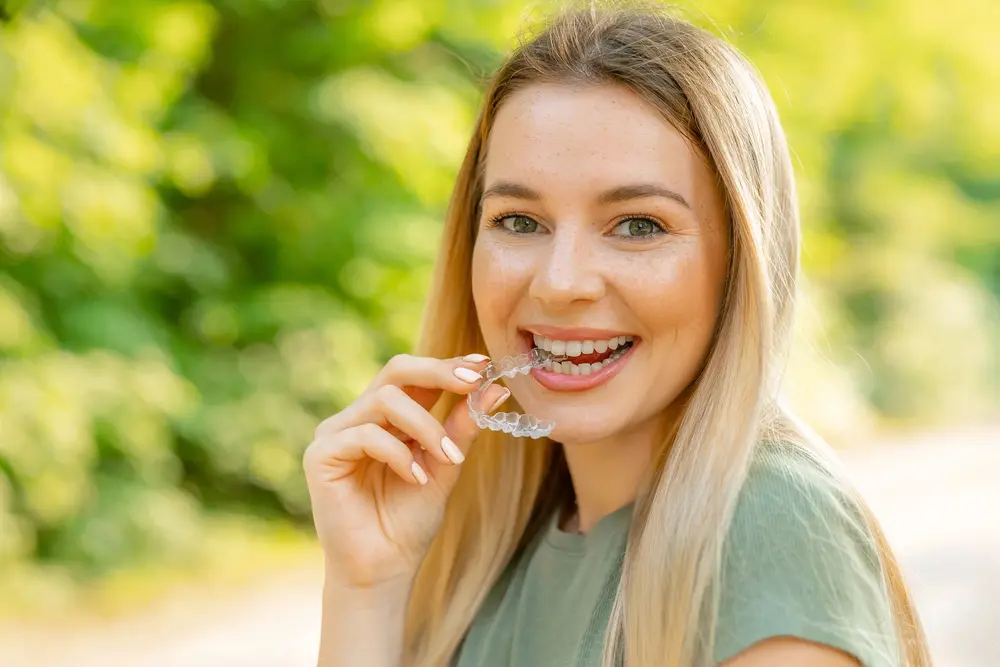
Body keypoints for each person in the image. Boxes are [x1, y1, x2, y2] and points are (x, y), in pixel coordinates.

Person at [303, 3, 931, 666]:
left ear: (739, 261)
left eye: (638, 225)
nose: (560, 282)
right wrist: (365, 585)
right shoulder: (491, 554)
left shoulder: (773, 532)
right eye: (519, 221)